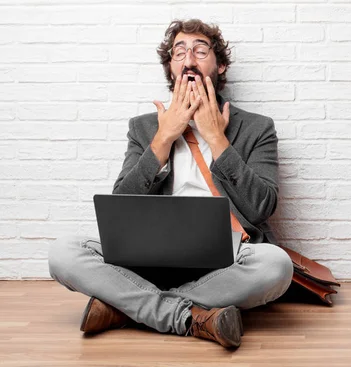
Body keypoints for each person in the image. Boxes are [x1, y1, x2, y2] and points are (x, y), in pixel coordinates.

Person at [48, 19, 294, 349]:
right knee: (63, 252)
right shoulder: (144, 128)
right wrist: (164, 138)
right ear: (170, 67)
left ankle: (126, 309)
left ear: (219, 65)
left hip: (226, 261)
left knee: (276, 265)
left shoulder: (256, 128)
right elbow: (121, 204)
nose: (189, 59)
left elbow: (261, 207)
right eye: (179, 52)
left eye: (200, 50)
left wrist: (217, 139)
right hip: (149, 258)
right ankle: (191, 317)